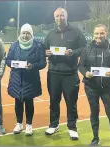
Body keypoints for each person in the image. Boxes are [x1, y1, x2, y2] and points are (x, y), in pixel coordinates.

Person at [43, 7, 87, 140]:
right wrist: (46, 52)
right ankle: (53, 124)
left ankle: (72, 127)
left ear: (66, 17)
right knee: (54, 101)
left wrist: (73, 52)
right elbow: (44, 48)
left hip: (70, 73)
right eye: (57, 16)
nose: (59, 18)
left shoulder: (76, 32)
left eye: (62, 15)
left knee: (71, 102)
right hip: (53, 73)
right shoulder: (50, 33)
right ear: (54, 18)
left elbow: (85, 48)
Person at [78, 24, 110, 146]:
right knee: (94, 112)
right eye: (96, 33)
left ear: (106, 33)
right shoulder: (87, 50)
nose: (99, 36)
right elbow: (81, 65)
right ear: (93, 35)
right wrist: (85, 73)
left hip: (108, 88)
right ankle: (95, 138)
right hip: (91, 87)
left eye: (101, 33)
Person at [6, 23, 46, 135]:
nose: (25, 35)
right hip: (17, 79)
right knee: (18, 102)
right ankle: (19, 124)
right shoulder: (14, 45)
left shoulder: (38, 46)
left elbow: (43, 63)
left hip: (31, 79)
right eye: (23, 33)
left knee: (29, 102)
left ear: (31, 34)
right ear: (20, 34)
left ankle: (29, 125)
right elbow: (8, 60)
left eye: (28, 33)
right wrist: (13, 64)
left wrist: (33, 66)